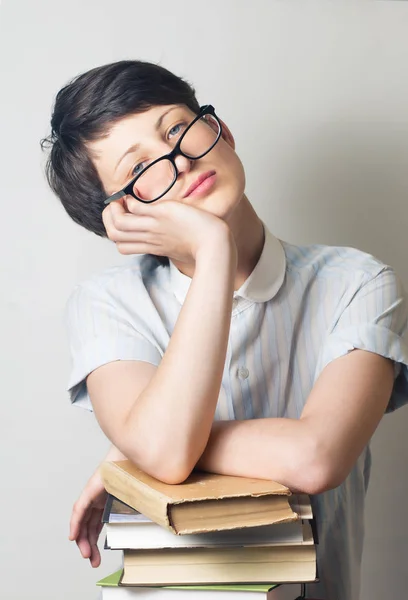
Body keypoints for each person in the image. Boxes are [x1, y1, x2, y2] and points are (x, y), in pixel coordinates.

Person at [41, 60, 408, 600]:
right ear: (121, 216)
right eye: (141, 168)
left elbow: (316, 457)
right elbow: (166, 453)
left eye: (177, 129)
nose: (180, 161)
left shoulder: (358, 281)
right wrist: (213, 251)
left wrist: (131, 450)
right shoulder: (106, 305)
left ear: (223, 131)